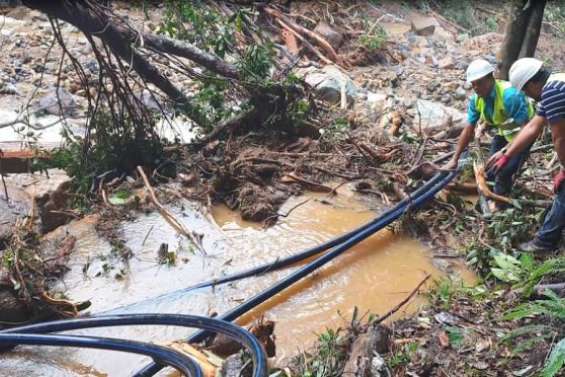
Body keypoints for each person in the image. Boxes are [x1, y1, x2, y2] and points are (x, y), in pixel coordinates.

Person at [487, 57, 565, 252]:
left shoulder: (552, 92)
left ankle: (544, 242)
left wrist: (564, 170)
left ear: (531, 83)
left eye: (526, 91)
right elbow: (532, 127)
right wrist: (506, 153)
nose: (528, 96)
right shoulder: (555, 83)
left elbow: (560, 139)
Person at [444, 59, 535, 206]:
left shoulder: (509, 95)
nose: (476, 88)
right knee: (491, 168)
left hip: (525, 135)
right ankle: (488, 195)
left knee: (504, 170)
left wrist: (505, 152)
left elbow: (527, 129)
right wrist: (454, 158)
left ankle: (499, 205)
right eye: (473, 84)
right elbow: (468, 130)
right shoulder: (476, 100)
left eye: (479, 83)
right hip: (505, 134)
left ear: (490, 78)